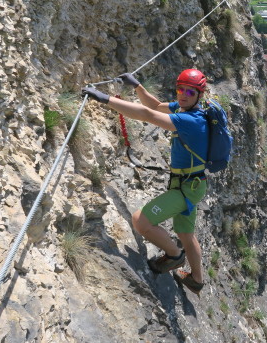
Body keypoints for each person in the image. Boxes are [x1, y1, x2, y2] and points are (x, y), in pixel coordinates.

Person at [82, 69, 209, 296]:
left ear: (200, 94)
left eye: (190, 91)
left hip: (186, 189)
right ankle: (196, 280)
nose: (184, 94)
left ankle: (174, 256)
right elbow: (155, 106)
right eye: (180, 89)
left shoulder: (191, 120)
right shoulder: (186, 108)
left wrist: (105, 99)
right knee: (186, 234)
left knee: (141, 221)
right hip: (191, 185)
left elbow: (147, 116)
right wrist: (137, 86)